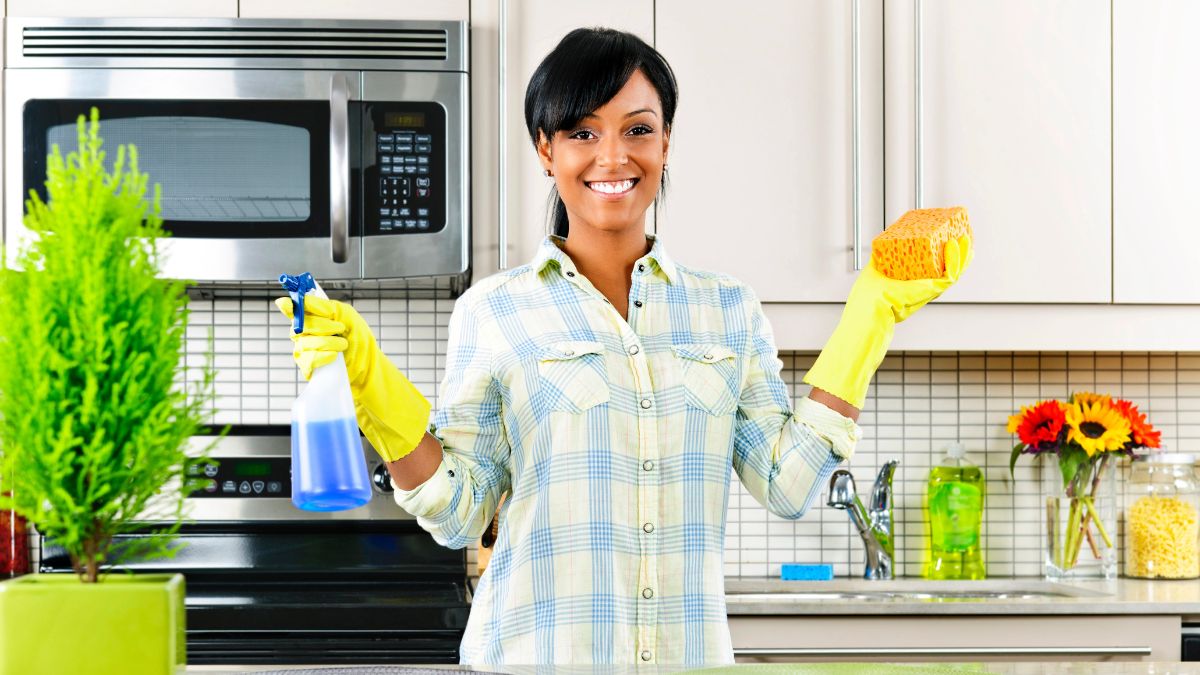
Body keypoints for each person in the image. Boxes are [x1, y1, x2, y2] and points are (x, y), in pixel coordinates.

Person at [275, 27, 971, 666]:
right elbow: (460, 511)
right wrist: (371, 386)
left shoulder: (726, 309)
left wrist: (868, 316)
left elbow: (789, 485)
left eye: (638, 129)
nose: (613, 156)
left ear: (665, 143)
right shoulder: (494, 310)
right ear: (546, 150)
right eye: (582, 131)